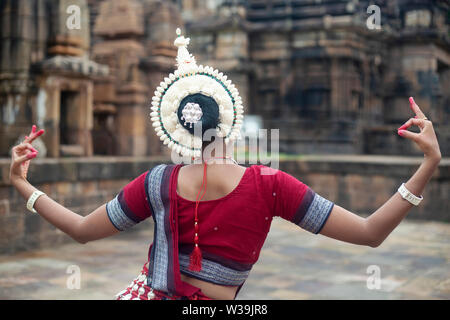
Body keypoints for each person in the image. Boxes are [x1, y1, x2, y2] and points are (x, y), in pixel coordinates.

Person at [9, 29, 442, 300]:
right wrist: (427, 166)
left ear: (178, 129)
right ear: (233, 122)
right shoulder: (270, 185)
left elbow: (82, 231)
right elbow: (370, 234)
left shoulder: (156, 182)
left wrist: (23, 186)